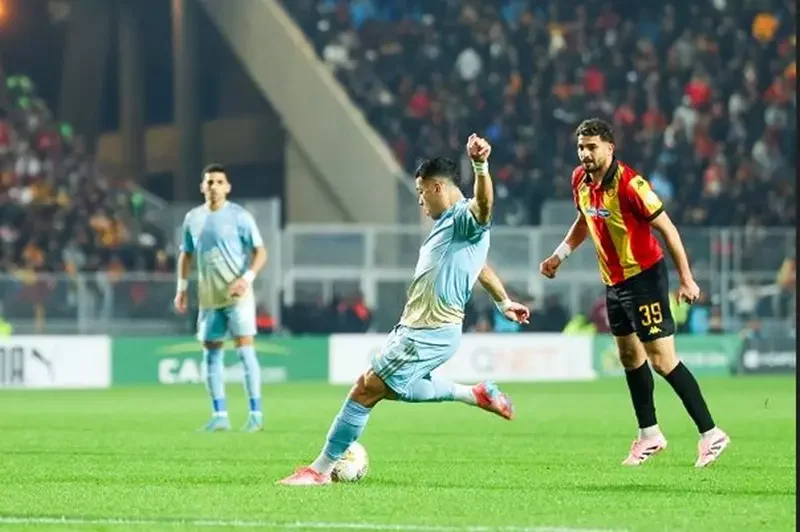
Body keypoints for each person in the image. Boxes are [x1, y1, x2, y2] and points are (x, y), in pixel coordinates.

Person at [277, 135, 530, 486]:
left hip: (430, 330)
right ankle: (476, 394)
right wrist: (503, 301)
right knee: (398, 388)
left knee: (365, 388)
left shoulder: (464, 217)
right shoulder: (449, 227)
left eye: (422, 192)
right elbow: (480, 267)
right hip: (418, 329)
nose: (421, 201)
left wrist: (480, 165)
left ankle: (319, 471)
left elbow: (485, 206)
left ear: (438, 187)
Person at [539, 118, 730, 468]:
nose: (585, 154)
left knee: (662, 361)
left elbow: (668, 229)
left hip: (644, 279)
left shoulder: (631, 185)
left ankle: (711, 433)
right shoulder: (580, 180)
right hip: (613, 282)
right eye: (581, 147)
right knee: (629, 357)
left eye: (592, 147)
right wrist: (559, 255)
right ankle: (649, 434)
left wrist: (686, 279)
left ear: (610, 148)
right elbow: (585, 220)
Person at [174, 164, 268, 433]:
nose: (214, 186)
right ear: (202, 187)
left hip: (238, 297)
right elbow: (186, 255)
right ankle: (220, 415)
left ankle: (255, 414)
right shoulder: (193, 218)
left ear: (227, 187)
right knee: (211, 354)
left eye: (218, 182)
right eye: (209, 182)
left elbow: (260, 252)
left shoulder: (240, 217)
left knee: (245, 351)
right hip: (209, 299)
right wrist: (182, 288)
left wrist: (246, 279)